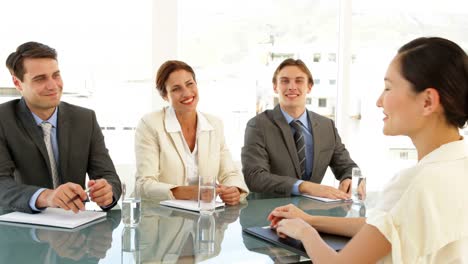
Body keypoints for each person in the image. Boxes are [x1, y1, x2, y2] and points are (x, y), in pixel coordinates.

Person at [268, 37, 468, 263]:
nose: (379, 101)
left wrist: (305, 233)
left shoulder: (414, 183)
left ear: (427, 101)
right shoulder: (458, 165)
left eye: (388, 88)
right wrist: (310, 220)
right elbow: (384, 226)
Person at [0, 42, 121, 214]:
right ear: (18, 83)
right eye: (40, 79)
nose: (53, 85)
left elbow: (108, 176)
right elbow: (1, 184)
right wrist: (46, 196)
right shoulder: (3, 120)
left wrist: (107, 192)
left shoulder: (85, 119)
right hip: (19, 229)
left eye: (55, 75)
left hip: (74, 228)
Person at [134, 60, 249, 205]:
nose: (187, 93)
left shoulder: (214, 124)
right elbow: (144, 185)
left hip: (204, 219)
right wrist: (193, 192)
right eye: (176, 89)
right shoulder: (151, 124)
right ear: (164, 96)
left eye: (190, 84)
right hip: (161, 218)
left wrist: (234, 190)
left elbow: (229, 173)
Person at [242, 58, 357, 199]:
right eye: (284, 81)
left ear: (309, 87)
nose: (291, 87)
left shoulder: (327, 126)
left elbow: (346, 166)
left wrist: (349, 178)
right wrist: (303, 186)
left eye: (299, 80)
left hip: (311, 214)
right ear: (275, 87)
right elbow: (255, 177)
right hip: (270, 213)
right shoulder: (258, 125)